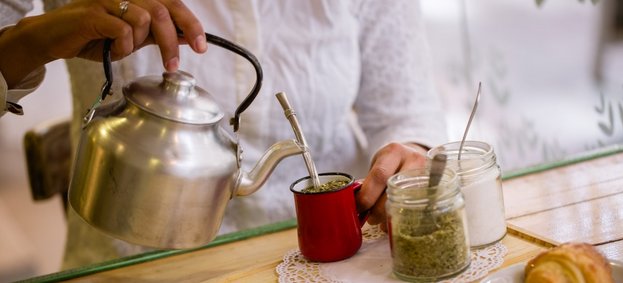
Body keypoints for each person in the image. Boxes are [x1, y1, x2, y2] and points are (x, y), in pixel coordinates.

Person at [1, 0, 447, 270]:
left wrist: (408, 156)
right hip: (137, 266)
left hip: (330, 262)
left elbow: (405, 111)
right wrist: (34, 40)